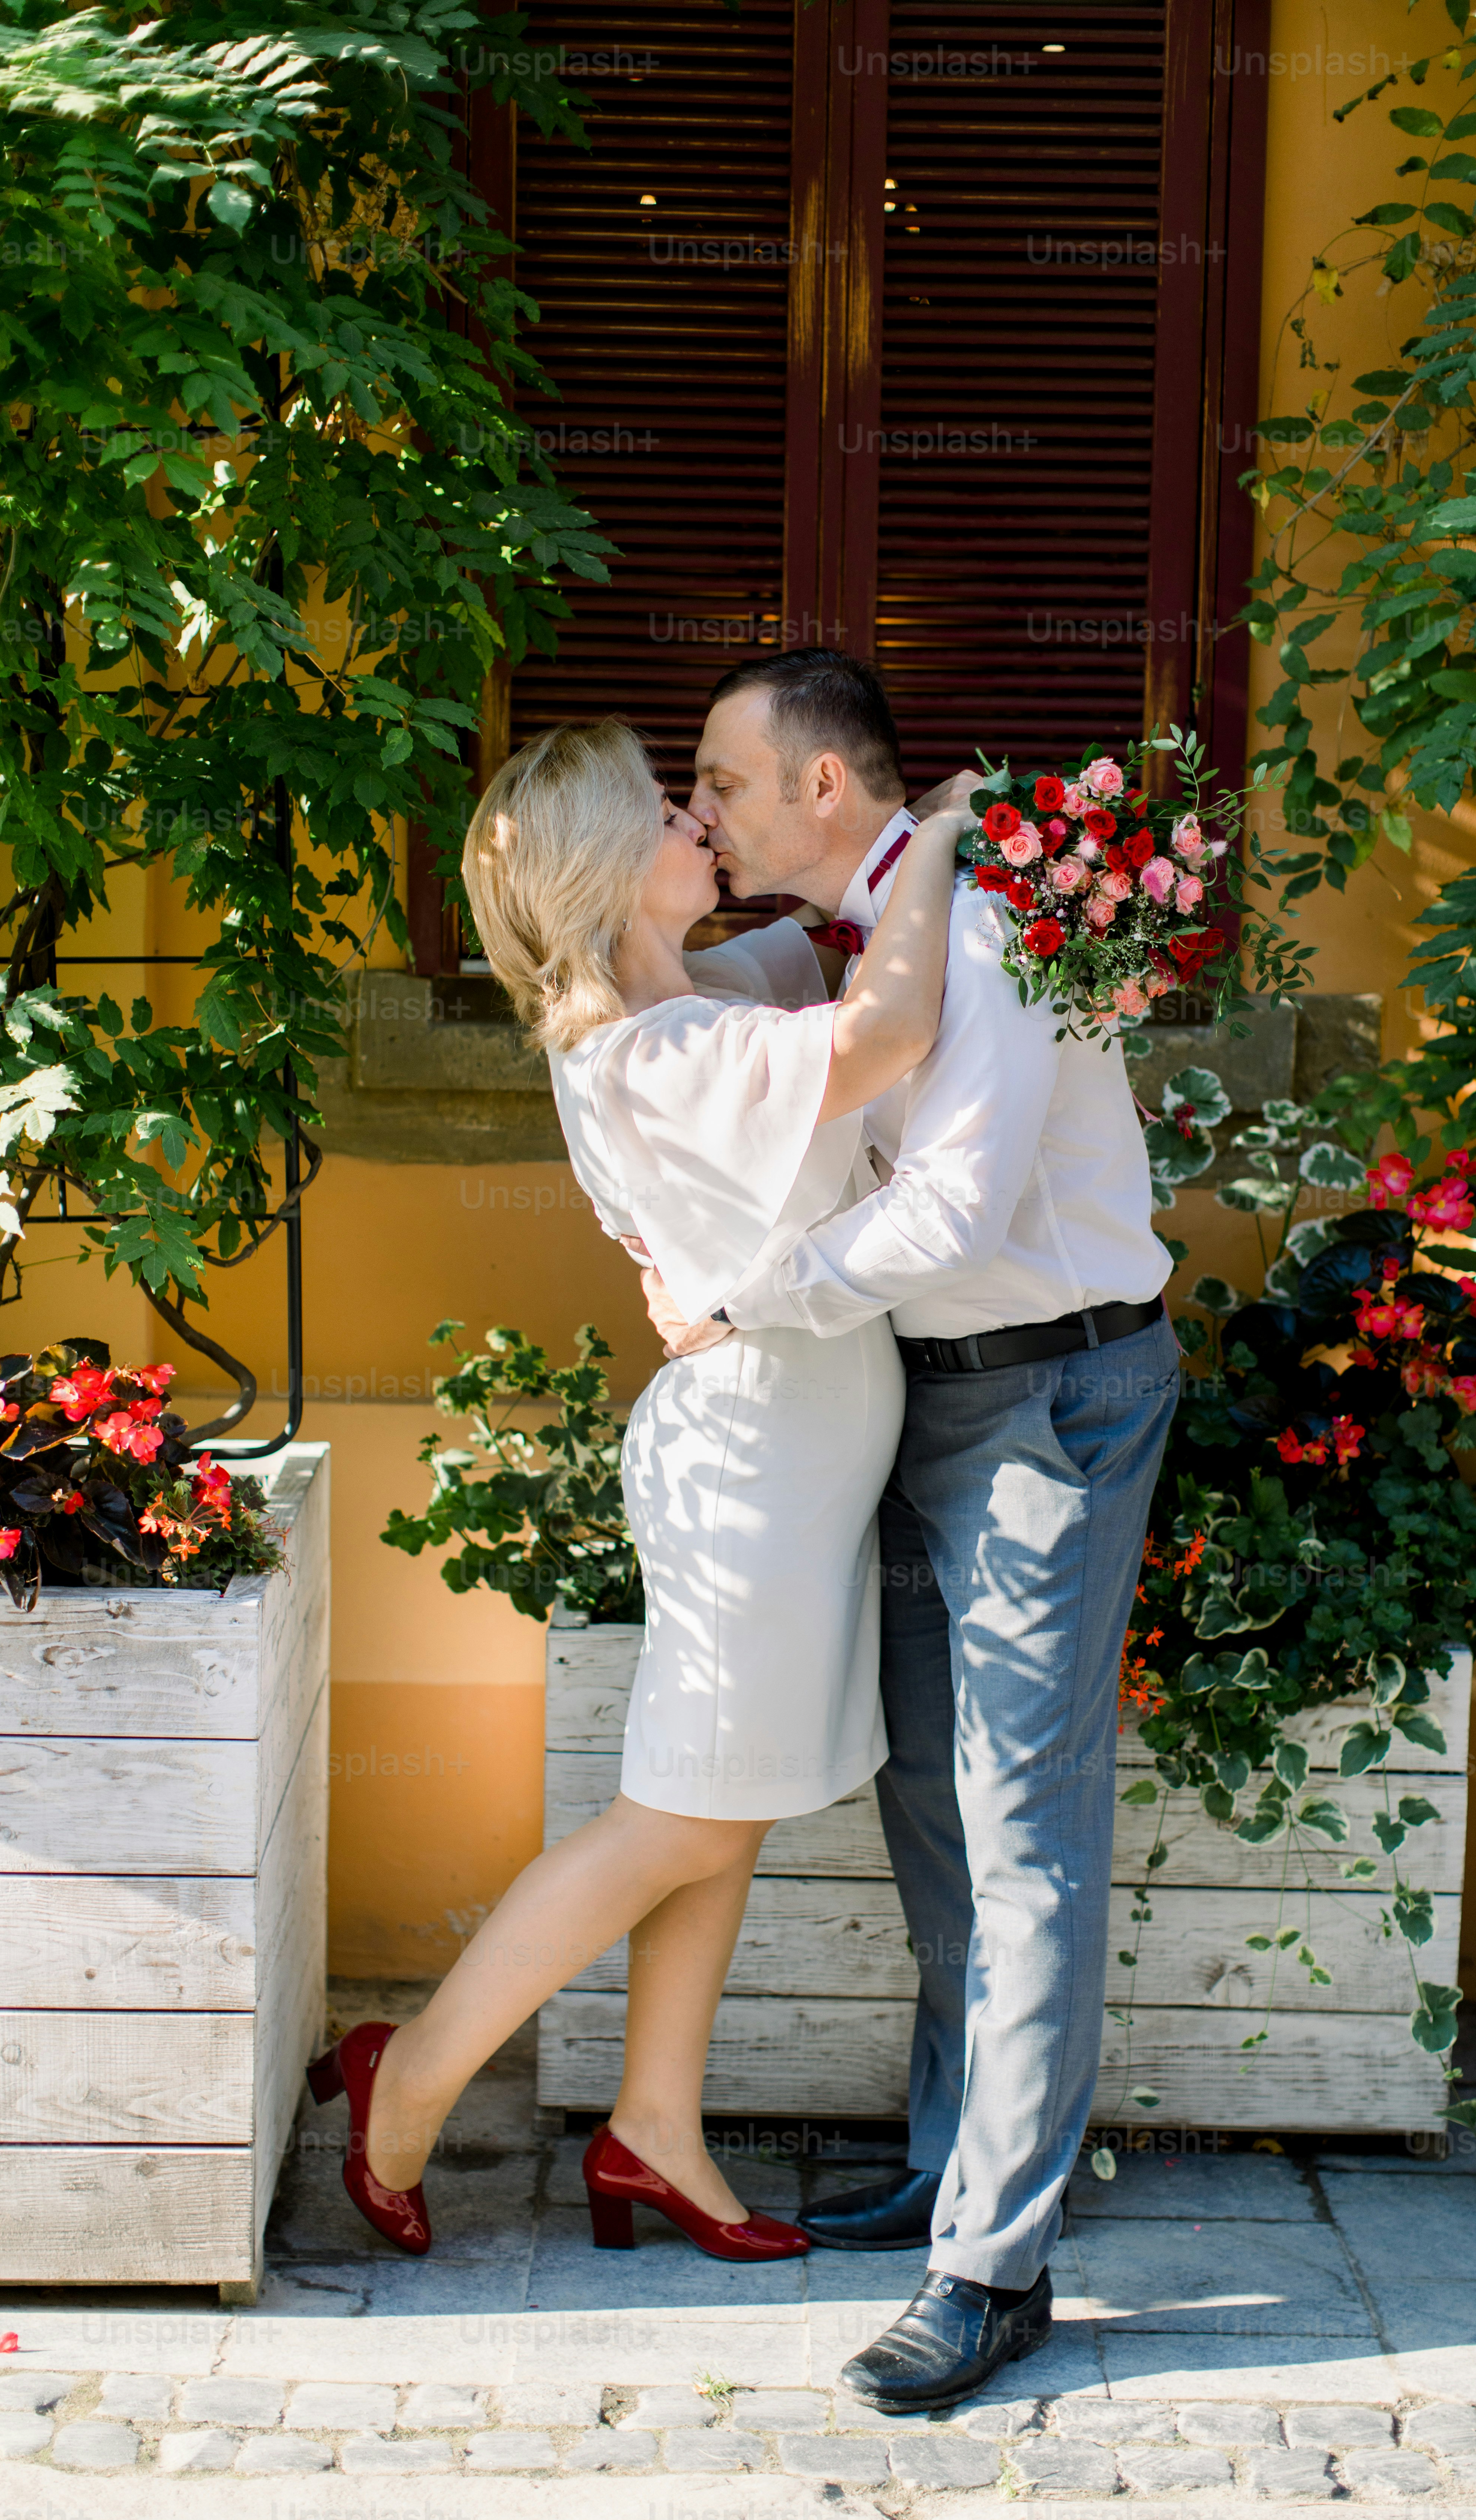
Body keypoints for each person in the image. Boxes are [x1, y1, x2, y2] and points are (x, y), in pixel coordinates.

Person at [304, 715, 971, 2265]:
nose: (702, 825)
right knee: (671, 1818)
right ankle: (400, 2084)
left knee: (716, 1818)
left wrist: (852, 850)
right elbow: (882, 1036)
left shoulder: (694, 999)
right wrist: (942, 832)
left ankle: (651, 2131)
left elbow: (826, 955)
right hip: (750, 1466)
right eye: (675, 811)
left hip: (784, 1456)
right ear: (611, 866)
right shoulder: (658, 1051)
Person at [640, 649, 1180, 2408]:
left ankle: (994, 2266)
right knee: (924, 1799)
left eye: (718, 778)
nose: (699, 808)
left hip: (1049, 1394)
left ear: (818, 783)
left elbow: (948, 1214)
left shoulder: (993, 925)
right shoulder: (870, 924)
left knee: (1022, 1822)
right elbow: (666, 1000)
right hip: (922, 1400)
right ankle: (958, 2157)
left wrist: (748, 1300)